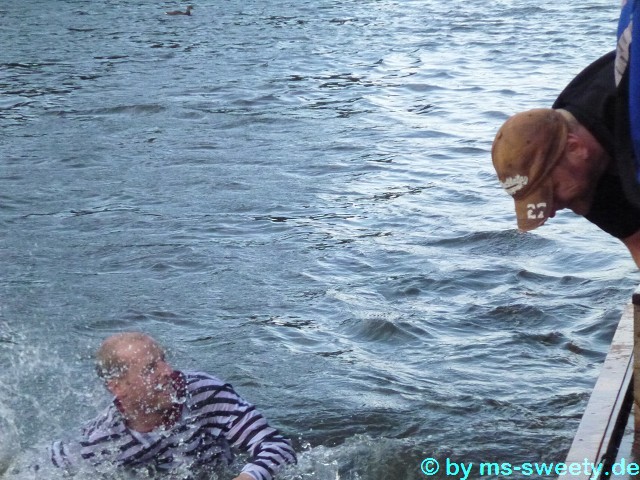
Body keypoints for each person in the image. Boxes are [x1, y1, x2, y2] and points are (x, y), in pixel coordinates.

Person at [48, 332, 296, 480]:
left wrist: (248, 477)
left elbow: (278, 447)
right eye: (151, 368)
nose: (168, 371)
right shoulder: (101, 442)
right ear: (118, 387)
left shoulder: (202, 392)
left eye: (163, 360)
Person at [491, 50, 640, 266]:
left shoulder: (629, 105)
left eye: (550, 192)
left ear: (575, 148)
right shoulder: (581, 183)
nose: (550, 211)